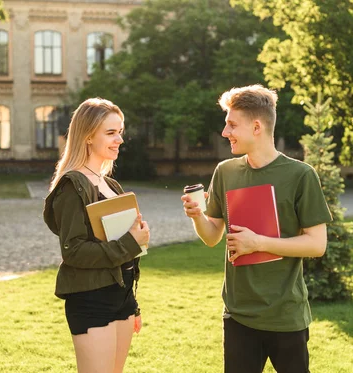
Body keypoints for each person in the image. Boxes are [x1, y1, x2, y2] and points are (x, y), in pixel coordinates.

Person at [181, 85, 332, 373]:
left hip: (285, 316)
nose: (225, 133)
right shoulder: (225, 172)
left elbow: (316, 244)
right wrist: (197, 215)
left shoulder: (300, 175)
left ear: (257, 126)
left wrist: (257, 243)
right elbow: (213, 236)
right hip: (238, 317)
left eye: (232, 125)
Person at [43, 98, 150, 373]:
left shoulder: (111, 185)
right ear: (89, 136)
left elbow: (123, 250)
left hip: (121, 296)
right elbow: (74, 251)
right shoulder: (72, 185)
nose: (119, 140)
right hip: (92, 300)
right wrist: (130, 242)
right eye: (111, 133)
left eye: (120, 132)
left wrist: (132, 303)